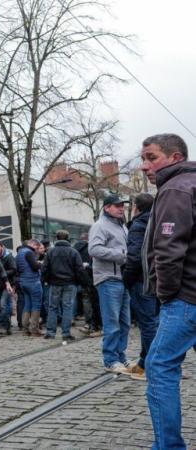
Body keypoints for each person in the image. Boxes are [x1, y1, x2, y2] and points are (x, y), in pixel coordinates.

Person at [140, 133, 196, 449]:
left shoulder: (175, 188)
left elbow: (169, 249)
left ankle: (169, 447)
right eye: (143, 158)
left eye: (151, 157)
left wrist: (166, 294)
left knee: (159, 366)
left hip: (186, 297)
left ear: (175, 158)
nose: (144, 165)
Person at [88, 193, 131, 374]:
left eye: (123, 205)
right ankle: (110, 359)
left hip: (123, 278)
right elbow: (94, 249)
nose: (122, 208)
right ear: (107, 208)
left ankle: (121, 356)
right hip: (108, 278)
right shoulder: (100, 226)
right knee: (112, 322)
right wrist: (121, 255)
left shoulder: (122, 227)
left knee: (125, 322)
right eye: (117, 205)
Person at [123, 193, 159, 381]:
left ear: (136, 207)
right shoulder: (156, 221)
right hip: (156, 278)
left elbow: (135, 257)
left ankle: (151, 366)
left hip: (141, 280)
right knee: (153, 323)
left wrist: (127, 278)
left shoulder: (138, 225)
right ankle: (144, 363)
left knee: (148, 324)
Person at [42, 230, 85, 340]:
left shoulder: (50, 252)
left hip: (55, 283)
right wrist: (80, 282)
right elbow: (79, 269)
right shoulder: (73, 252)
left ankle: (50, 332)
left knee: (52, 307)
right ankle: (66, 333)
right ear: (68, 238)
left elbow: (45, 269)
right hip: (70, 283)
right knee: (67, 307)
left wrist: (46, 280)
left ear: (56, 238)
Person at [74, 233, 102, 337]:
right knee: (95, 303)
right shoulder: (92, 250)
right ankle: (94, 325)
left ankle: (90, 324)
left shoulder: (75, 249)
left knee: (88, 301)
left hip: (84, 279)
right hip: (95, 279)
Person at [16, 239, 44, 336]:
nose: (36, 248)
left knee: (27, 305)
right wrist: (40, 264)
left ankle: (25, 329)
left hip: (23, 282)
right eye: (36, 246)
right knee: (36, 305)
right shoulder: (29, 252)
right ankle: (34, 329)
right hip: (33, 281)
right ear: (32, 244)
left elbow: (18, 269)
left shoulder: (19, 253)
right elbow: (35, 266)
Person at [0, 239, 17, 336]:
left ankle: (4, 327)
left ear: (2, 247)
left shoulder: (8, 256)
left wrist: (2, 273)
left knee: (3, 305)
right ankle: (6, 326)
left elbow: (14, 269)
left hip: (8, 285)